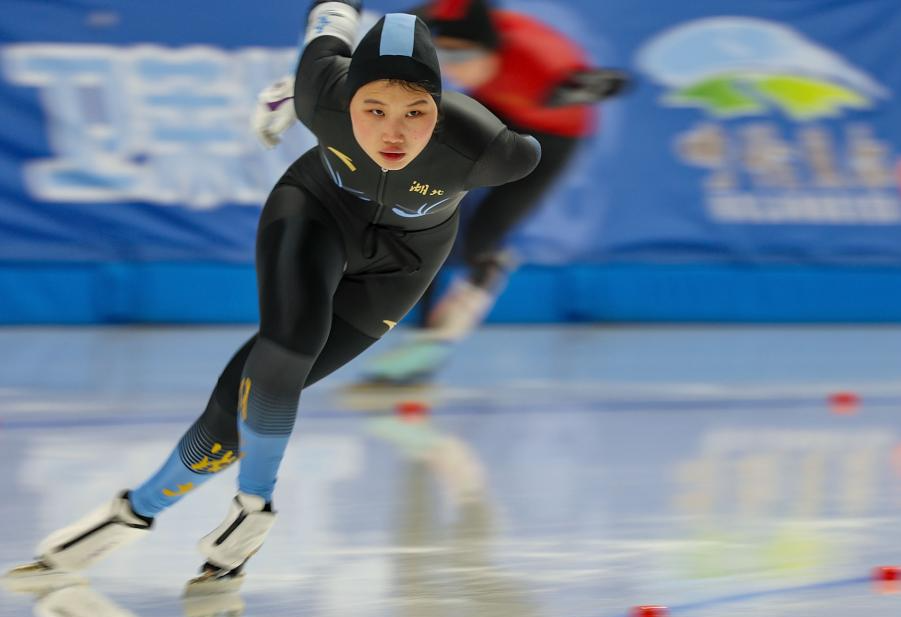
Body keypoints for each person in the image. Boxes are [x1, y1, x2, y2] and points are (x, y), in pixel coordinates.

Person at [5, 2, 539, 587]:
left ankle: (134, 512)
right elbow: (332, 16)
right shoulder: (322, 92)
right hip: (315, 211)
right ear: (346, 99)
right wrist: (302, 82)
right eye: (374, 109)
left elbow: (544, 141)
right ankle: (251, 509)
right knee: (286, 350)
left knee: (244, 399)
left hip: (403, 264)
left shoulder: (494, 150)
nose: (394, 131)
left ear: (438, 109)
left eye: (416, 112)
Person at [355, 0, 629, 385]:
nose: (452, 66)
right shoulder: (456, 21)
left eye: (462, 55)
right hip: (496, 110)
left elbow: (617, 83)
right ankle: (417, 337)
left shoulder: (543, 61)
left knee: (483, 235)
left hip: (553, 135)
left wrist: (585, 87)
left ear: (493, 51)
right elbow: (417, 16)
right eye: (445, 53)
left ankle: (467, 297)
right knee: (430, 216)